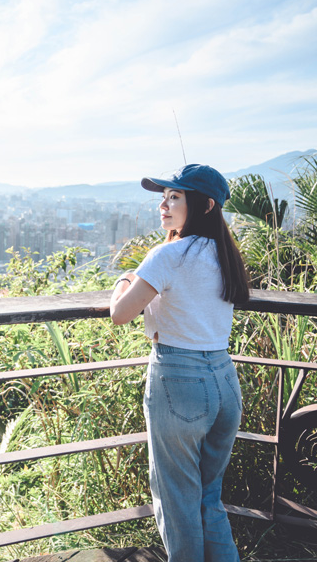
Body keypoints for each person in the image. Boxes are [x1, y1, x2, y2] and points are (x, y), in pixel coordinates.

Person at [109, 163, 250, 562]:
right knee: (209, 497)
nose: (164, 205)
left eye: (175, 197)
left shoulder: (169, 254)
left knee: (177, 502)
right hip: (224, 380)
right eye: (164, 197)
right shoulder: (226, 256)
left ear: (205, 205)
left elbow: (121, 313)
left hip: (178, 382)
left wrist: (124, 279)